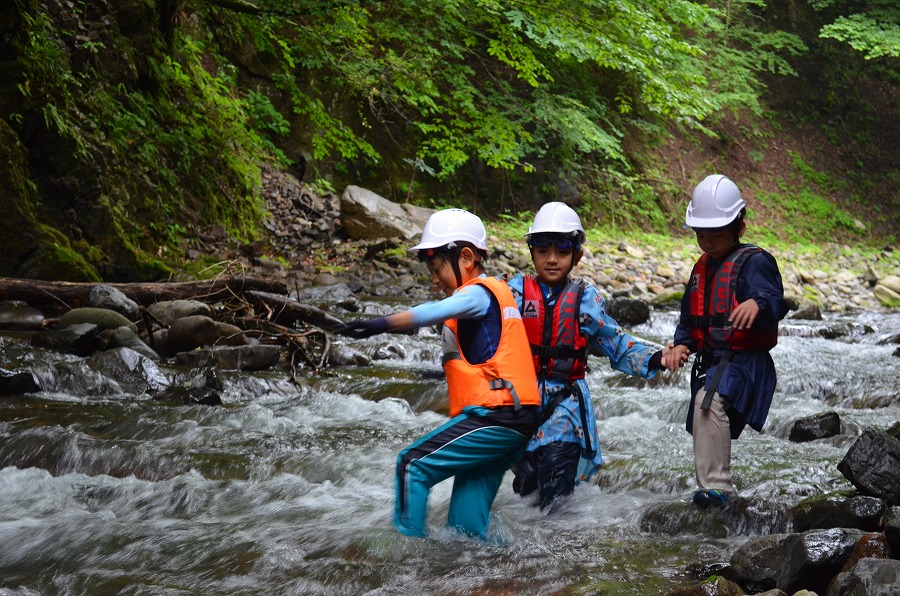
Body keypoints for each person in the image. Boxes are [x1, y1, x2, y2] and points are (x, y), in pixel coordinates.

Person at [334, 208, 541, 540]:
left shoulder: (477, 293)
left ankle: (403, 569)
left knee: (412, 465)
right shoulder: (487, 298)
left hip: (497, 419)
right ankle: (505, 577)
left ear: (467, 257)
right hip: (513, 420)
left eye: (437, 268)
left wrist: (379, 324)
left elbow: (432, 312)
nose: (433, 279)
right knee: (465, 530)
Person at [507, 202, 672, 513]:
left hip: (566, 408)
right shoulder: (513, 293)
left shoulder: (586, 300)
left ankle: (559, 551)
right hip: (523, 405)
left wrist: (657, 358)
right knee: (526, 488)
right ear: (532, 253)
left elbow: (616, 344)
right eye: (543, 250)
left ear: (577, 256)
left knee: (555, 490)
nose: (552, 259)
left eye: (562, 250)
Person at [664, 174, 789, 508]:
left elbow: (776, 301)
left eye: (716, 233)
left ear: (740, 228)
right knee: (704, 412)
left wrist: (757, 303)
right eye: (700, 233)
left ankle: (718, 488)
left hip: (746, 362)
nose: (707, 241)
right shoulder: (701, 268)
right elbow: (689, 320)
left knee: (709, 403)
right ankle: (712, 487)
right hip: (713, 360)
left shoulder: (755, 262)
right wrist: (680, 344)